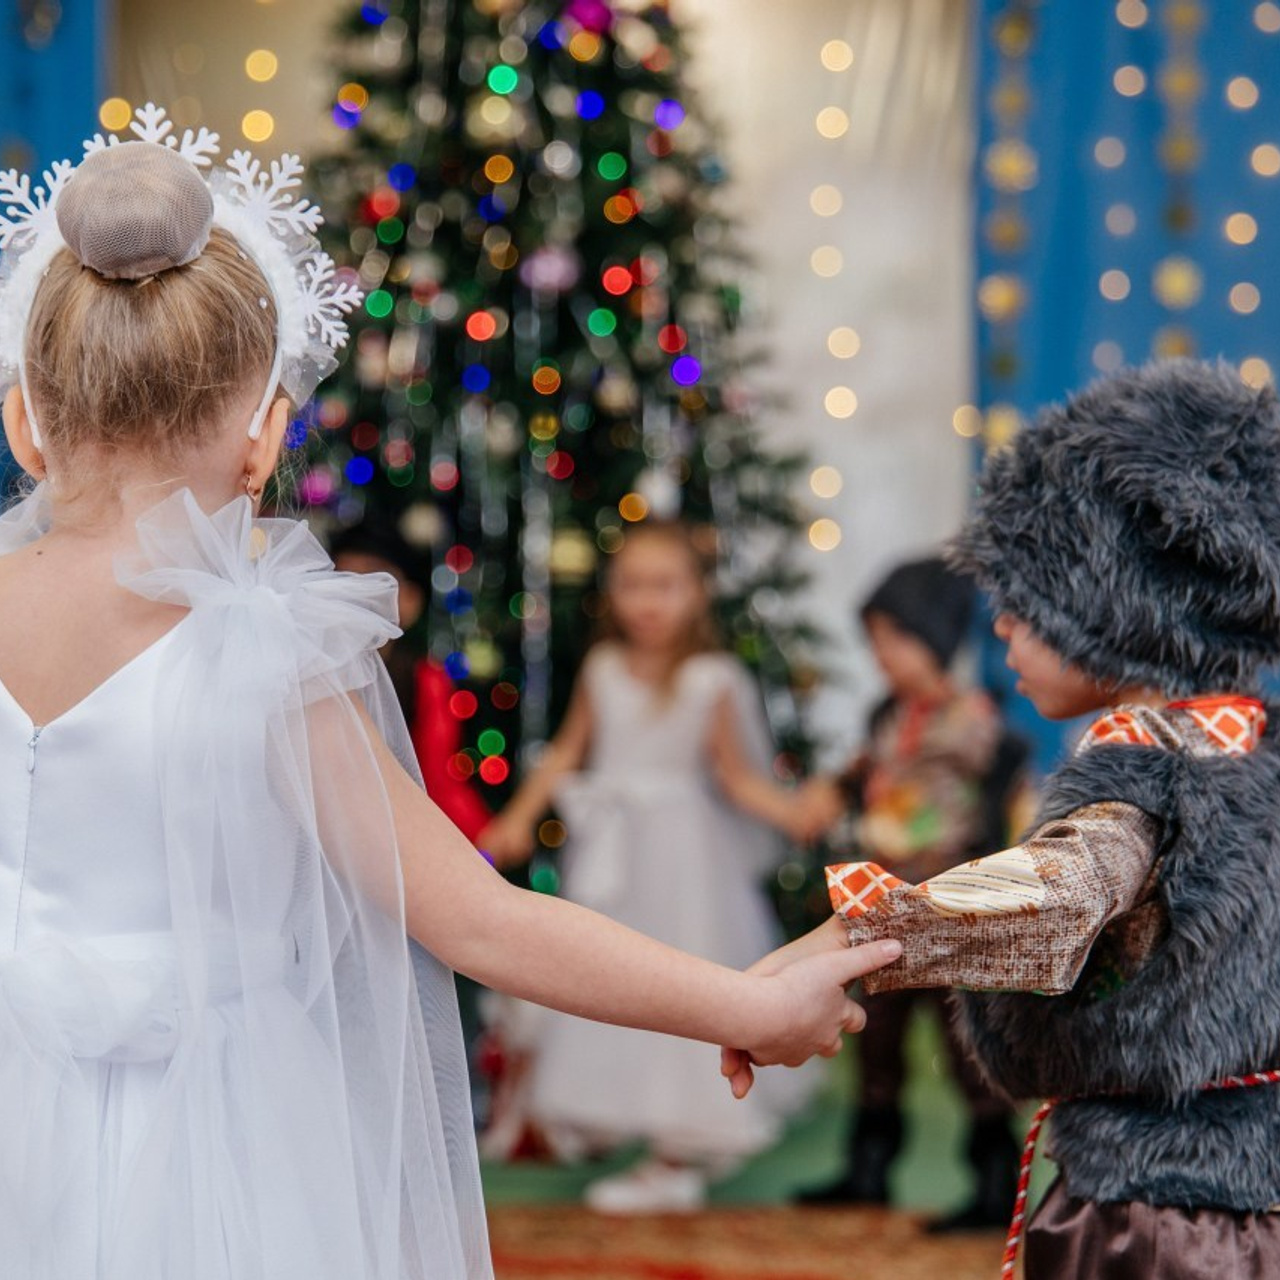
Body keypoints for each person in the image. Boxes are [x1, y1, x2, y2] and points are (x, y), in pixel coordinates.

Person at [0, 109, 900, 1279]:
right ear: (266, 438)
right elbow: (478, 920)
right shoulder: (254, 651)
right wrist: (742, 1003)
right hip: (217, 1149)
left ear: (23, 420)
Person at [730, 360, 1280, 1277]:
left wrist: (848, 938)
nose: (1003, 631)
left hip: (1158, 1219)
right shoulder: (1251, 753)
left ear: (1113, 614)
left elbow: (1053, 901)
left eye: (1026, 606)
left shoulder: (1148, 782)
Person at [480, 521, 825, 1212]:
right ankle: (609, 1110)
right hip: (612, 856)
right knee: (601, 971)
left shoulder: (711, 679)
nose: (648, 601)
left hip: (683, 860)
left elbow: (734, 776)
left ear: (697, 594)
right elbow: (567, 751)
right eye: (633, 585)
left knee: (683, 977)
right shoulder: (603, 668)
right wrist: (518, 816)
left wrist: (794, 813)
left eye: (665, 586)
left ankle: (679, 1148)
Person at [794, 557, 1024, 1230]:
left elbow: (1008, 792)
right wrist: (837, 791)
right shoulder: (888, 717)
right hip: (889, 907)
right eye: (874, 643)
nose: (883, 657)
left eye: (895, 640)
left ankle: (994, 1182)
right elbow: (865, 772)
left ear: (935, 637)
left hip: (950, 907)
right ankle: (868, 1167)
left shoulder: (974, 719)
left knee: (967, 1045)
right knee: (877, 1036)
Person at [329, 517, 492, 844]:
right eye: (344, 580)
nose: (357, 596)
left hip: (402, 838)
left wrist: (484, 836)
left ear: (411, 600)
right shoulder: (315, 678)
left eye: (373, 581)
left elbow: (438, 778)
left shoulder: (426, 680)